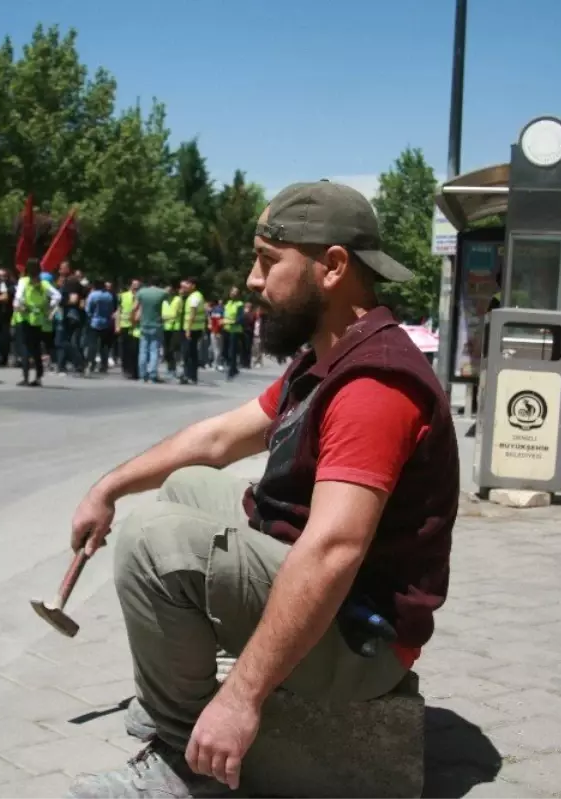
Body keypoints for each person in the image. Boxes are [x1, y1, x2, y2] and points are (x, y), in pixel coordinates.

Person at [61, 181, 458, 797]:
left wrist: (240, 700)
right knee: (190, 486)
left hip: (361, 641)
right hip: (340, 605)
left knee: (151, 542)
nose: (252, 280)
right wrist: (109, 486)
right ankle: (183, 707)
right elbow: (219, 440)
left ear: (331, 267)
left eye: (269, 262)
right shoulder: (331, 354)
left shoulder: (373, 386)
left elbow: (334, 550)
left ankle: (186, 759)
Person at [13, 258, 55, 387]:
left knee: (25, 347)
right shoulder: (44, 284)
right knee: (36, 347)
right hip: (37, 318)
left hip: (23, 317)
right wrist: (49, 308)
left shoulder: (24, 281)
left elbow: (18, 297)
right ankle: (38, 376)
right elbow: (57, 296)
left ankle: (26, 376)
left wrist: (20, 305)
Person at [134, 277, 168, 383]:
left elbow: (134, 307)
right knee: (154, 351)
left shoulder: (141, 292)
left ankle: (142, 374)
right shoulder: (162, 293)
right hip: (156, 324)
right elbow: (168, 305)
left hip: (144, 324)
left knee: (143, 350)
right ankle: (152, 374)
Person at [180, 277, 206, 385]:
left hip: (192, 329)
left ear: (193, 285)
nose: (185, 286)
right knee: (190, 353)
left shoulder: (195, 297)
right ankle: (190, 375)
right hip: (193, 328)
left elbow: (192, 314)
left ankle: (189, 375)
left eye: (187, 284)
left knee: (189, 353)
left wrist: (188, 330)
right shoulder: (192, 296)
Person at [117, 279, 141, 379]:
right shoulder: (123, 296)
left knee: (134, 349)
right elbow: (119, 311)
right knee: (124, 348)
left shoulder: (140, 296)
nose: (135, 287)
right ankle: (125, 368)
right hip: (125, 325)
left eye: (137, 286)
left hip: (136, 327)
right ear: (130, 286)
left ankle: (133, 370)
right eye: (134, 285)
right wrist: (117, 325)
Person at [162, 284, 184, 378]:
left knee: (173, 349)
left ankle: (174, 369)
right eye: (165, 291)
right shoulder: (162, 301)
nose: (167, 293)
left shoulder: (178, 300)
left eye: (169, 291)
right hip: (165, 328)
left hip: (175, 328)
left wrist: (165, 317)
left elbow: (178, 313)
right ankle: (169, 368)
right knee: (166, 350)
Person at [222, 287, 245, 380]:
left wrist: (229, 322)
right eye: (232, 292)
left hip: (235, 331)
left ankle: (231, 371)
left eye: (235, 292)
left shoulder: (239, 304)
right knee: (225, 351)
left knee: (232, 352)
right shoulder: (228, 304)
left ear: (238, 294)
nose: (233, 294)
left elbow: (240, 319)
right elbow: (225, 315)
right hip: (226, 330)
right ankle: (234, 368)